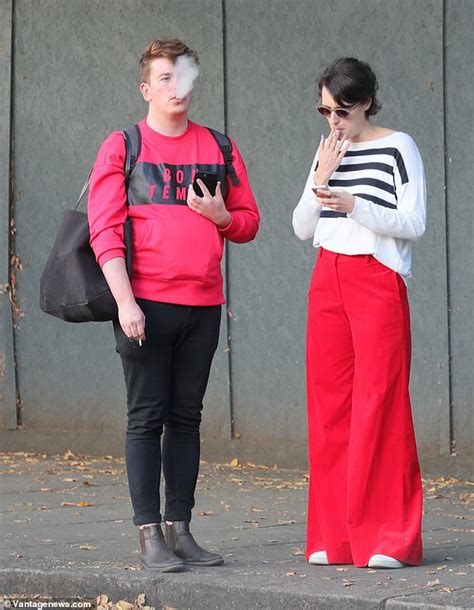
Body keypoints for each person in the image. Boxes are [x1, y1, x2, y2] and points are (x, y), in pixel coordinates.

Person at [88, 38, 259, 572]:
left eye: (182, 76)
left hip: (203, 305)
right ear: (146, 88)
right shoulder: (124, 145)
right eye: (164, 77)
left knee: (186, 418)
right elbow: (105, 229)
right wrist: (125, 302)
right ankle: (149, 536)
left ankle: (180, 529)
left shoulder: (219, 146)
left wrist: (220, 217)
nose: (175, 86)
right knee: (146, 417)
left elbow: (249, 222)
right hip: (145, 305)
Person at [292, 58, 426, 569]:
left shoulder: (399, 145)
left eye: (342, 110)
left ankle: (390, 538)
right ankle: (337, 535)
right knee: (328, 405)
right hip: (327, 277)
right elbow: (302, 227)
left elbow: (415, 221)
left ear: (367, 101)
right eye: (324, 110)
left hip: (376, 278)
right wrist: (322, 175)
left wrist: (354, 205)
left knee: (382, 402)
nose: (333, 121)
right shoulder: (327, 148)